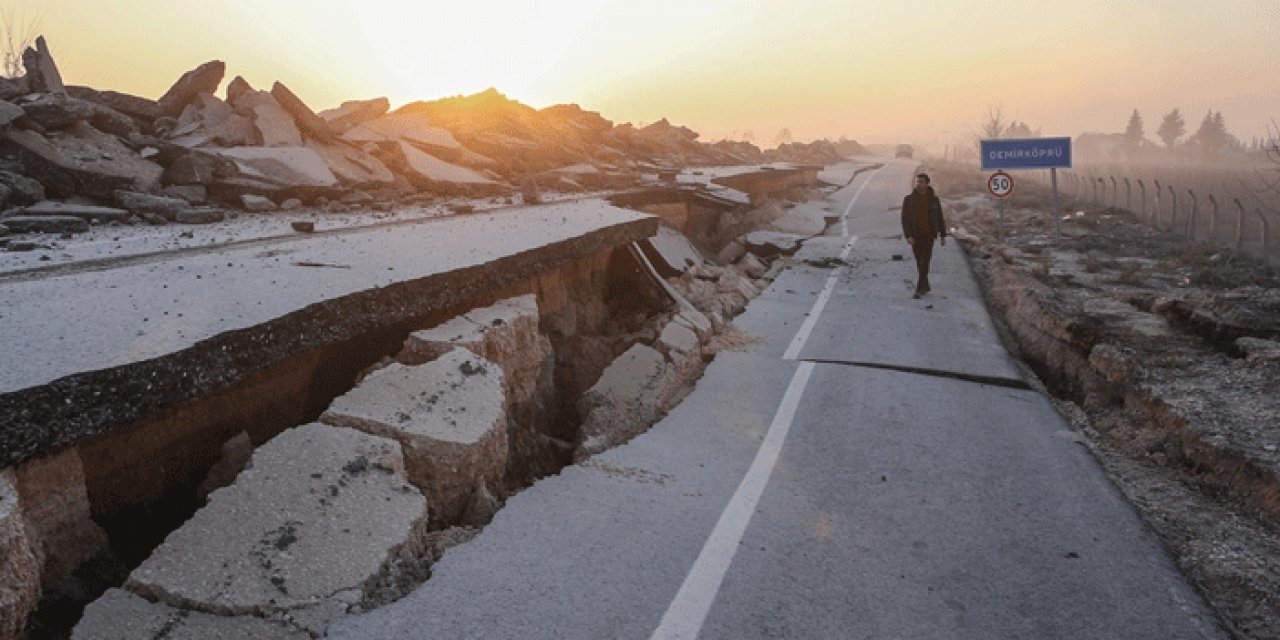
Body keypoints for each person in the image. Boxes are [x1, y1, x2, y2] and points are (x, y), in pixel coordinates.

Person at [901, 173, 947, 299]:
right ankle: (925, 285)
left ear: (927, 183)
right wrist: (908, 235)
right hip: (915, 236)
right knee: (919, 261)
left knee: (925, 262)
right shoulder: (909, 200)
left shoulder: (934, 200)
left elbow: (939, 218)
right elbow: (905, 220)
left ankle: (919, 289)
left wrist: (943, 235)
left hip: (929, 236)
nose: (919, 184)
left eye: (922, 182)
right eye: (918, 181)